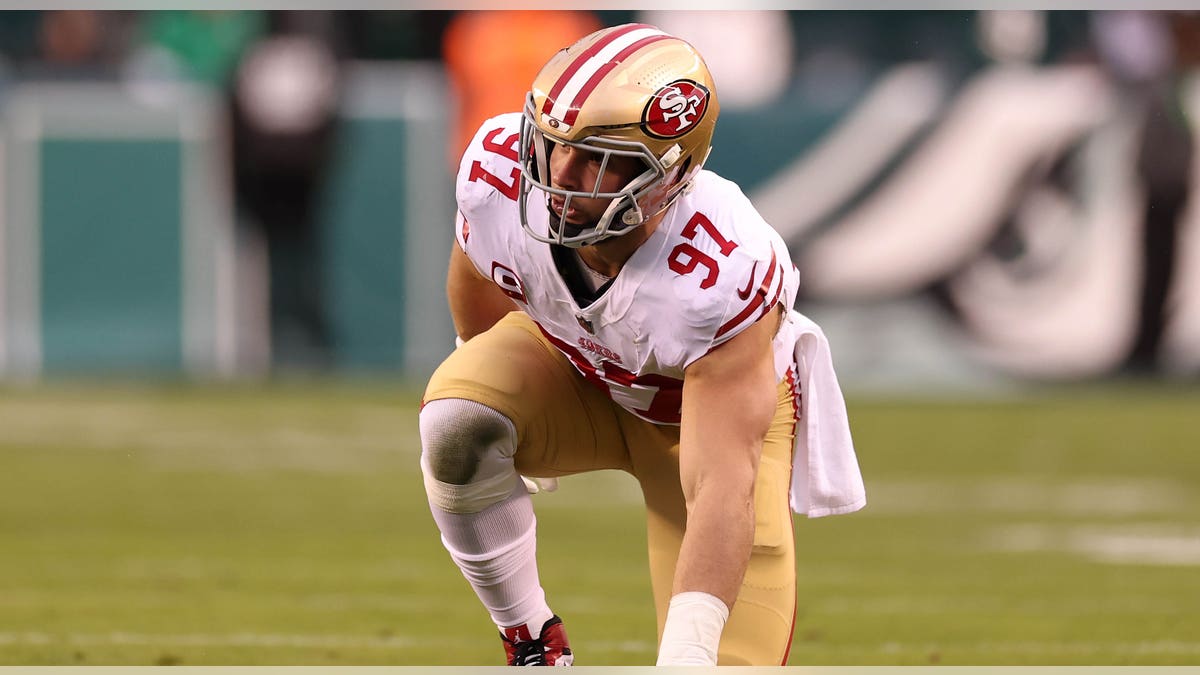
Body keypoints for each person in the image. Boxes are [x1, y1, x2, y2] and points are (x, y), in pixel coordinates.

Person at [419, 23, 866, 666]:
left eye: (597, 158)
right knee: (458, 420)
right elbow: (479, 286)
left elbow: (720, 484)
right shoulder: (498, 174)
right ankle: (532, 641)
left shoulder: (721, 265)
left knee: (709, 660)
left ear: (668, 172)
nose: (561, 176)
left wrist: (687, 650)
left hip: (695, 424)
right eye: (552, 146)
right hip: (574, 367)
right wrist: (506, 420)